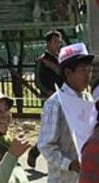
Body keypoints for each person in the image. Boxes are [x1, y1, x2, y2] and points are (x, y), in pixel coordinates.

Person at [32, 42, 93, 183]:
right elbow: (46, 145)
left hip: (87, 181)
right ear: (68, 72)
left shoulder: (88, 100)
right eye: (82, 71)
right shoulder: (55, 104)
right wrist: (70, 164)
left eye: (89, 70)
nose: (87, 75)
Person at [28, 30, 66, 169]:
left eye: (59, 42)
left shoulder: (61, 60)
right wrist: (48, 93)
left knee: (61, 128)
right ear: (48, 43)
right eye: (55, 42)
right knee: (50, 129)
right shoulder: (42, 60)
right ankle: (35, 151)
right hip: (49, 99)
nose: (58, 45)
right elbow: (38, 81)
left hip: (63, 98)